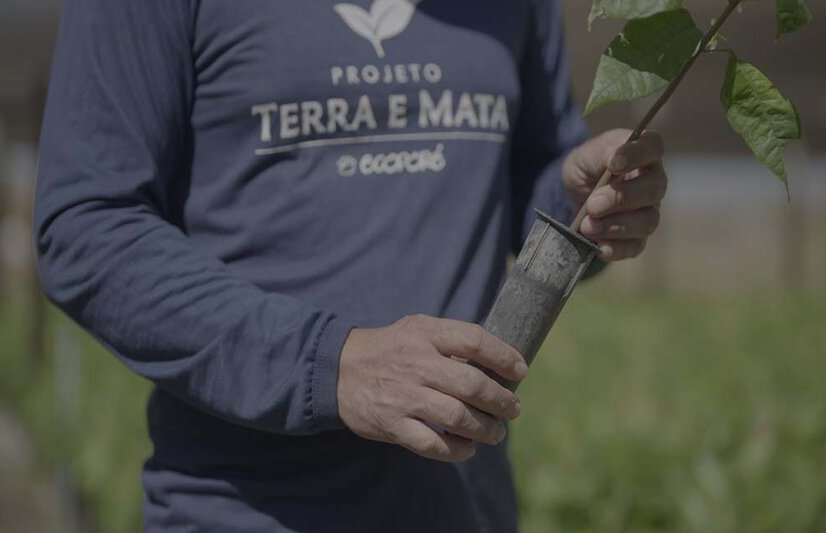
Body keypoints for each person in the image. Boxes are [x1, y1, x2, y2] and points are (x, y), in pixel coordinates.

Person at [34, 0, 668, 531]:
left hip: (466, 509)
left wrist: (578, 204)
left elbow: (524, 184)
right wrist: (330, 364)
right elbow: (88, 228)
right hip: (248, 513)